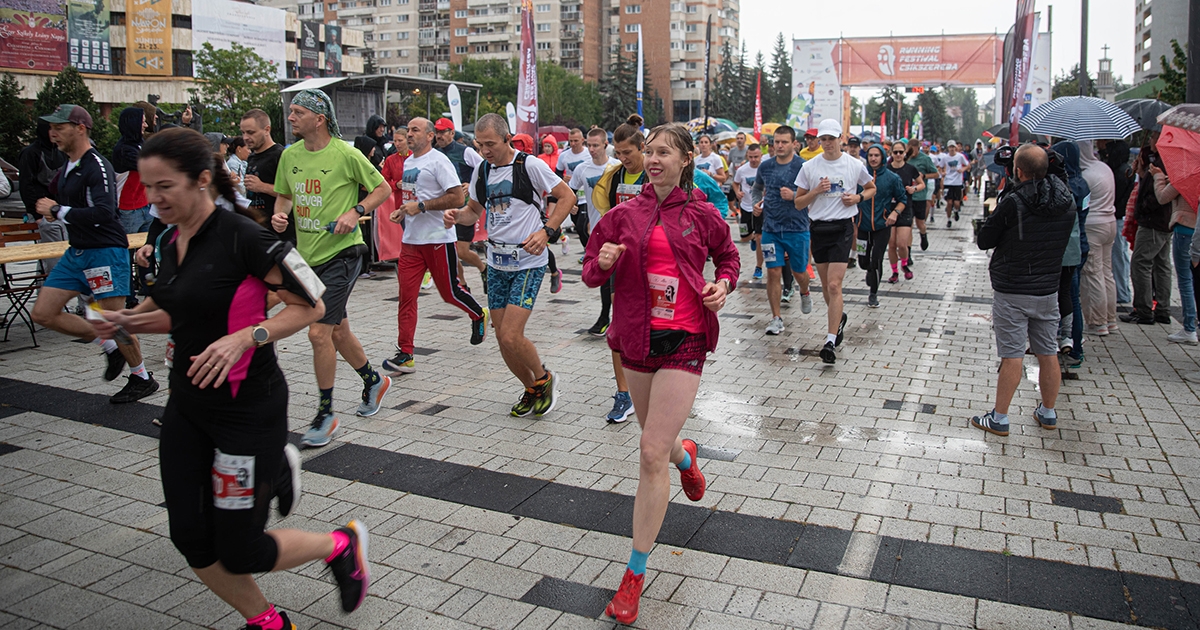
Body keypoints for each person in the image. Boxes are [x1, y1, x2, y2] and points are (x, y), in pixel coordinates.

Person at [90, 127, 369, 630]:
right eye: (147, 187)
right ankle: (267, 621)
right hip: (188, 406)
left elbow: (313, 305)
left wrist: (248, 336)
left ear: (201, 181)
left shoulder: (246, 237)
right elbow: (170, 309)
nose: (153, 198)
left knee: (242, 549)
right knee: (191, 537)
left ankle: (340, 544)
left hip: (247, 408)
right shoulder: (172, 240)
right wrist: (126, 319)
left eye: (164, 187)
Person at [581, 122, 739, 625]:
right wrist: (602, 262)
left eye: (664, 152)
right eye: (650, 152)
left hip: (685, 338)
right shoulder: (622, 215)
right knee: (660, 442)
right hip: (636, 339)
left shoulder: (702, 214)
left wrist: (724, 285)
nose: (653, 159)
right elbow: (588, 272)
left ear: (686, 159)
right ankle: (685, 455)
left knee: (649, 451)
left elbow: (728, 257)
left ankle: (634, 574)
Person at [270, 89, 392, 447]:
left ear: (319, 118)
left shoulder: (345, 154)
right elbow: (285, 195)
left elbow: (382, 189)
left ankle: (325, 414)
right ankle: (374, 381)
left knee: (318, 333)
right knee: (337, 331)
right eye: (290, 112)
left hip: (344, 253)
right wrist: (280, 215)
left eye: (297, 112)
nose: (290, 117)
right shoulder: (289, 155)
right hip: (306, 257)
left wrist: (355, 211)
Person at [445, 113, 576, 417]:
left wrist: (547, 231)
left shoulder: (529, 165)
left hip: (528, 261)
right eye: (480, 145)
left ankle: (544, 379)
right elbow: (473, 211)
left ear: (507, 138)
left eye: (490, 144)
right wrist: (457, 215)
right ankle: (530, 388)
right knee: (503, 339)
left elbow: (566, 196)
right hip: (496, 262)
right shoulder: (482, 170)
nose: (485, 150)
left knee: (511, 335)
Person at [29, 104, 159, 404]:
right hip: (77, 252)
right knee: (43, 313)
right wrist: (52, 209)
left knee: (114, 320)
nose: (53, 133)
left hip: (104, 252)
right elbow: (52, 197)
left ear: (80, 128)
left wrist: (57, 210)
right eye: (51, 127)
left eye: (59, 127)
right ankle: (106, 340)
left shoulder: (96, 164)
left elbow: (104, 211)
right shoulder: (67, 167)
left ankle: (140, 376)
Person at [972, 144, 1076, 435]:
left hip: (1013, 287)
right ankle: (1048, 411)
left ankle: (1000, 417)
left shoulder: (1014, 201)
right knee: (1047, 351)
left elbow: (985, 240)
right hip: (1048, 287)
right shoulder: (1066, 199)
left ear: (1018, 171)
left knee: (1012, 354)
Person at [382, 117, 489, 375]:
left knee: (449, 293)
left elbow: (457, 196)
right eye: (407, 130)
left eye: (415, 130)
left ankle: (478, 314)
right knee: (406, 297)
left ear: (430, 136)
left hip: (438, 239)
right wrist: (402, 212)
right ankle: (406, 353)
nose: (409, 135)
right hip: (410, 243)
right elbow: (412, 198)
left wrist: (419, 208)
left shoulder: (439, 161)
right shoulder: (408, 162)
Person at [793, 118, 876, 364]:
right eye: (823, 139)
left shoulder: (853, 164)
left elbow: (871, 188)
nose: (827, 143)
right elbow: (798, 203)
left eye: (831, 138)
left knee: (833, 285)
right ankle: (838, 318)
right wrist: (816, 192)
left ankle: (830, 341)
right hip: (819, 229)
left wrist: (858, 198)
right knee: (827, 288)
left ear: (840, 138)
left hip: (842, 228)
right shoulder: (809, 166)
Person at [589, 117, 649, 422]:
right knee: (618, 326)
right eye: (619, 153)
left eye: (628, 152)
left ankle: (653, 386)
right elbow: (608, 213)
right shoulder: (614, 176)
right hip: (621, 260)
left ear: (642, 148)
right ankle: (623, 394)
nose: (623, 158)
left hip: (653, 261)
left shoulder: (655, 174)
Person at [753, 126, 811, 335]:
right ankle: (776, 318)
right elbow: (757, 188)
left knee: (799, 272)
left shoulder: (804, 167)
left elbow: (814, 194)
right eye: (776, 142)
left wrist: (795, 195)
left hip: (797, 229)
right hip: (771, 229)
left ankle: (804, 291)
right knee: (773, 272)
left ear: (794, 144)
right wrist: (755, 204)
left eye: (784, 142)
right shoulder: (765, 166)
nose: (779, 146)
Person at [434, 117, 487, 292]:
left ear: (451, 133)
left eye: (443, 132)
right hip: (442, 210)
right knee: (450, 250)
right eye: (437, 132)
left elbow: (485, 169)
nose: (439, 136)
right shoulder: (433, 153)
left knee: (463, 252)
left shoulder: (465, 151)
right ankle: (462, 284)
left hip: (464, 208)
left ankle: (484, 269)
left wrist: (470, 185)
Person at [1152, 161, 1197, 344]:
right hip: (1197, 230)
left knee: (1185, 280)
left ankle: (1189, 328)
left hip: (1185, 230)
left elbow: (1162, 197)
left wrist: (1158, 177)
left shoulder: (1188, 174)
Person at [1078, 141, 1119, 335]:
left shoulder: (1086, 175)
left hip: (1093, 226)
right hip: (1109, 223)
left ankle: (1097, 321)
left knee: (1092, 273)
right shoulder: (1104, 168)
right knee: (1106, 272)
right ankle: (1110, 318)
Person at [858, 144, 907, 307]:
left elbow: (902, 200)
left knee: (876, 259)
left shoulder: (892, 178)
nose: (873, 158)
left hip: (882, 225)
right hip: (862, 226)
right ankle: (869, 271)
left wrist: (894, 213)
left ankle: (873, 293)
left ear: (883, 157)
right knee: (863, 261)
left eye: (876, 155)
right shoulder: (859, 175)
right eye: (870, 155)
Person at [568, 127, 618, 265]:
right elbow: (570, 190)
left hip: (616, 224)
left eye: (595, 145)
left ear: (605, 144)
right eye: (589, 145)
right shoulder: (581, 169)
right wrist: (571, 203)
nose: (591, 149)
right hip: (595, 225)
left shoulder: (617, 166)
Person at [1100, 140, 1135, 305]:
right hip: (1118, 216)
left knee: (1118, 256)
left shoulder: (1120, 172)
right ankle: (1122, 291)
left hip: (1116, 216)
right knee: (1118, 256)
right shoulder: (1125, 170)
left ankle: (1122, 292)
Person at [240, 109, 286, 234]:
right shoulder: (252, 157)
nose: (245, 137)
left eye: (250, 132)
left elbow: (293, 193)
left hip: (278, 230)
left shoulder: (280, 155)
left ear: (267, 130)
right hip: (257, 226)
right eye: (243, 132)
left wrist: (262, 186)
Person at [886, 141, 924, 283]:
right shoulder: (887, 169)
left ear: (904, 153)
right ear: (891, 154)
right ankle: (894, 271)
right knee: (891, 244)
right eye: (895, 152)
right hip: (889, 209)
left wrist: (914, 189)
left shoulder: (910, 169)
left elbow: (921, 184)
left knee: (902, 243)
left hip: (906, 208)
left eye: (900, 152)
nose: (898, 155)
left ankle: (904, 264)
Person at [732, 143, 763, 278]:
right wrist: (737, 192)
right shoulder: (742, 170)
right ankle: (752, 238)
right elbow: (735, 182)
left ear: (761, 155)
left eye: (756, 157)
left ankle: (759, 267)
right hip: (745, 207)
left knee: (759, 238)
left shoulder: (765, 169)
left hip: (761, 208)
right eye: (750, 157)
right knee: (744, 238)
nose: (753, 160)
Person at [556, 128, 591, 245]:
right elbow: (557, 173)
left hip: (586, 195)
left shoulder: (588, 153)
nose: (573, 144)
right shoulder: (564, 156)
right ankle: (587, 251)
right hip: (572, 195)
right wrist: (563, 178)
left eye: (576, 141)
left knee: (583, 226)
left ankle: (589, 252)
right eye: (570, 141)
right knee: (577, 225)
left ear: (582, 140)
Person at [939, 140, 969, 227]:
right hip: (948, 181)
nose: (952, 149)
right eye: (950, 147)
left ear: (955, 147)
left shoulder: (960, 156)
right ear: (948, 148)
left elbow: (968, 165)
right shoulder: (945, 157)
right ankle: (948, 220)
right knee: (949, 202)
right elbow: (939, 167)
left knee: (956, 203)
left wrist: (962, 170)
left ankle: (956, 211)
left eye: (953, 147)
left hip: (957, 182)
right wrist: (942, 173)